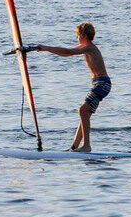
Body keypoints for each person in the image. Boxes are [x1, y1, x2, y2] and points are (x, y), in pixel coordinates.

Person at [30, 22, 111, 152]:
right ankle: (75, 147)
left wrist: (45, 47)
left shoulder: (90, 48)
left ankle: (87, 146)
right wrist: (47, 50)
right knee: (85, 114)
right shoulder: (84, 47)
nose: (76, 38)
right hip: (99, 84)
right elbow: (67, 54)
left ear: (84, 35)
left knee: (82, 111)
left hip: (102, 84)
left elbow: (69, 51)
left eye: (77, 36)